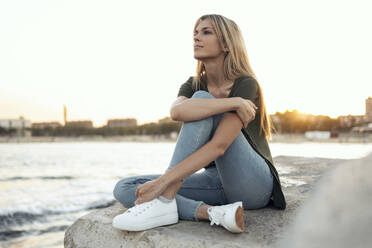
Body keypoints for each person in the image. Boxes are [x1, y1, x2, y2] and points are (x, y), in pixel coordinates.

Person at [112, 14, 286, 233]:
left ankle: (165, 201)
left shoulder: (246, 84)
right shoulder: (194, 84)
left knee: (202, 100)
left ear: (225, 43)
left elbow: (219, 146)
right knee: (125, 188)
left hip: (253, 184)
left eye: (206, 32)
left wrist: (163, 183)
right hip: (215, 183)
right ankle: (213, 213)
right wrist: (231, 103)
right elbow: (176, 111)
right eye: (195, 32)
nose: (196, 38)